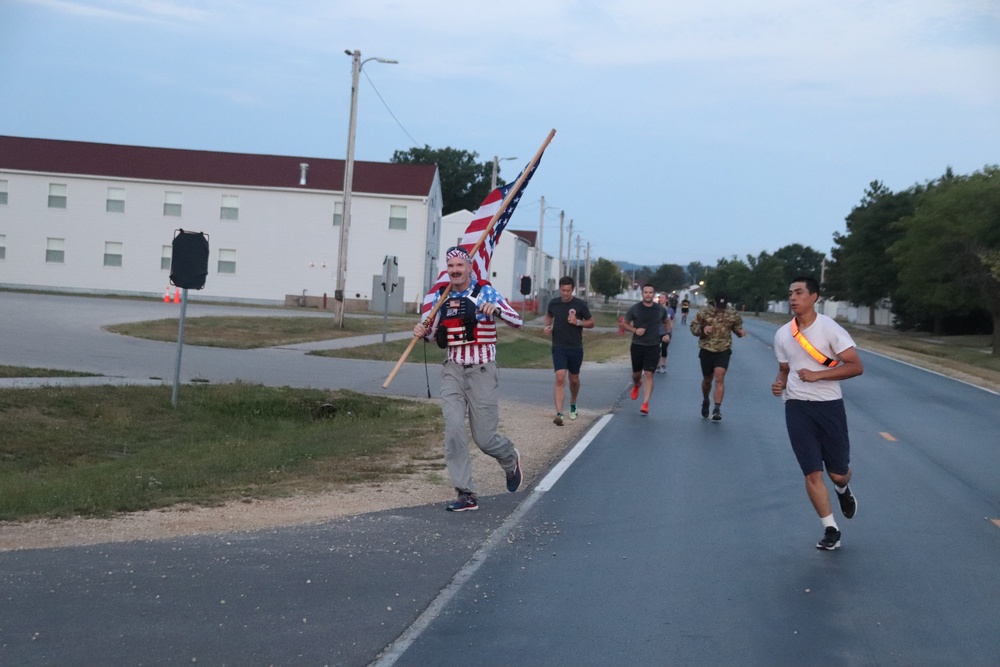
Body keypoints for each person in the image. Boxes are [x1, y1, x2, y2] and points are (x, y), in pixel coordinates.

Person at [413, 246, 522, 512]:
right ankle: (466, 494)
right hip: (452, 369)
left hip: (482, 369)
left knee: (484, 438)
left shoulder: (486, 291)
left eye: (459, 266)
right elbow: (432, 334)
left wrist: (495, 310)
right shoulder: (442, 297)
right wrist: (421, 331)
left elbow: (517, 321)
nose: (454, 271)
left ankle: (509, 459)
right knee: (453, 430)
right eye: (450, 267)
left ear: (469, 267)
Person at [772, 276, 863, 550]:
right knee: (812, 472)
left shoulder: (830, 329)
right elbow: (785, 370)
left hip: (829, 406)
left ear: (814, 297)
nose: (792, 298)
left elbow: (856, 366)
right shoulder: (782, 334)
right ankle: (830, 529)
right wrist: (779, 383)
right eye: (790, 293)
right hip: (797, 406)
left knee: (837, 473)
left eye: (799, 292)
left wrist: (818, 375)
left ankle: (843, 489)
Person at [544, 276, 594, 425]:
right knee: (560, 378)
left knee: (574, 379)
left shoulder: (580, 304)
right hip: (559, 347)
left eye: (568, 290)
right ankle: (559, 413)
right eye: (563, 290)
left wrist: (578, 322)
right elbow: (548, 316)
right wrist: (547, 326)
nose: (565, 293)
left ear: (573, 290)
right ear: (559, 289)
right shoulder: (554, 303)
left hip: (575, 347)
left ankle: (573, 402)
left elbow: (591, 322)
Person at [689, 292, 746, 421]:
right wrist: (702, 329)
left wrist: (740, 332)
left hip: (723, 349)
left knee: (719, 377)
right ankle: (705, 400)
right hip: (707, 349)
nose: (721, 307)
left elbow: (737, 327)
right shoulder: (704, 312)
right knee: (707, 380)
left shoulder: (732, 313)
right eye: (718, 304)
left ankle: (717, 409)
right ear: (714, 302)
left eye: (723, 305)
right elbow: (693, 328)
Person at [622, 284, 669, 415]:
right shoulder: (635, 309)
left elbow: (667, 322)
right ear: (642, 294)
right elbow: (624, 324)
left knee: (649, 374)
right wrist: (635, 330)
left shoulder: (660, 309)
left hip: (653, 346)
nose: (648, 295)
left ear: (654, 294)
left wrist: (667, 334)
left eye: (650, 292)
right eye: (646, 292)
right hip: (637, 345)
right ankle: (637, 384)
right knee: (636, 374)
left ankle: (645, 403)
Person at [655, 309, 674, 374]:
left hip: (666, 333)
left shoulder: (670, 310)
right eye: (661, 298)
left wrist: (671, 324)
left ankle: (663, 365)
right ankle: (657, 365)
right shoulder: (656, 309)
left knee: (664, 348)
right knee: (657, 349)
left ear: (666, 300)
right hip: (657, 333)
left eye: (663, 298)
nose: (662, 300)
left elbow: (672, 318)